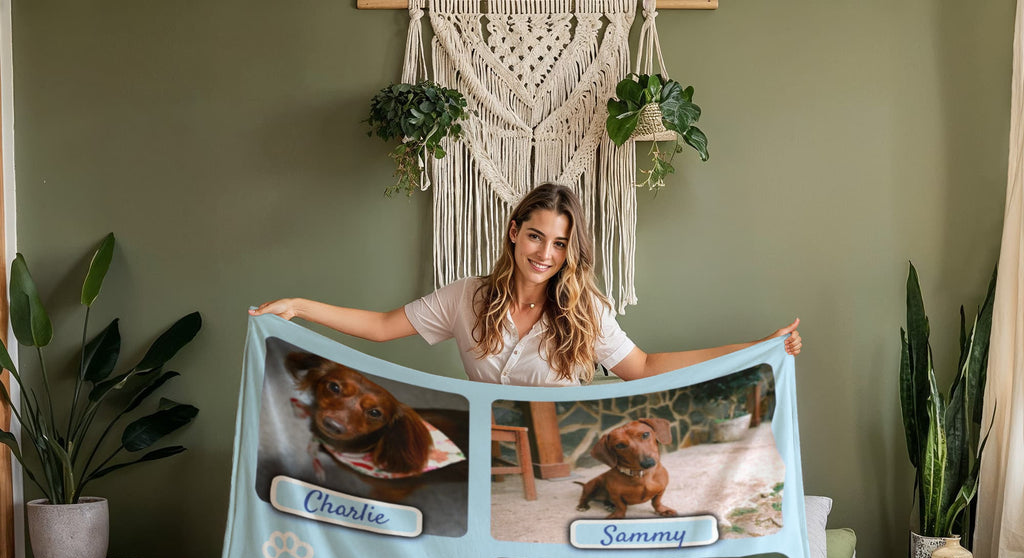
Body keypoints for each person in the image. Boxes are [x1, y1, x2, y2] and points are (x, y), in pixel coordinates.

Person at [251, 182, 801, 387]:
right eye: (536, 237)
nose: (546, 254)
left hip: (563, 463)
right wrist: (298, 305)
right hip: (483, 459)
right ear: (514, 233)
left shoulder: (585, 310)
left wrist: (758, 347)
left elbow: (647, 367)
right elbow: (379, 327)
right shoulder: (467, 297)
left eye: (560, 244)